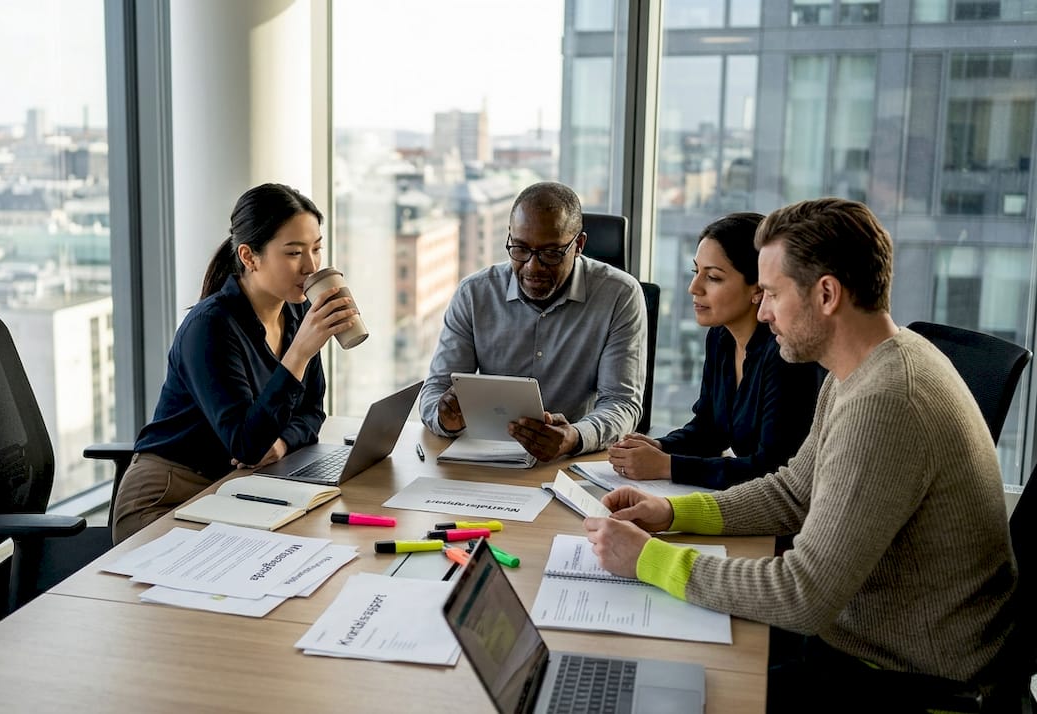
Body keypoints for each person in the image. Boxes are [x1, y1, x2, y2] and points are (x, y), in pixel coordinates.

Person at [584, 198, 1017, 709]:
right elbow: (795, 491)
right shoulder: (862, 368)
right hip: (864, 646)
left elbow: (802, 594)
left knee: (674, 686)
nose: (763, 312)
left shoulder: (887, 401)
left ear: (827, 294)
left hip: (910, 682)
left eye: (770, 293)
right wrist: (673, 511)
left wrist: (649, 560)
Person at [112, 183, 358, 543]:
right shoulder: (210, 327)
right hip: (167, 497)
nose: (310, 267)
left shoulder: (298, 312)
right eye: (293, 253)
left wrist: (282, 444)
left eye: (316, 249)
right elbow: (246, 445)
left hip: (229, 490)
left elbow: (312, 413)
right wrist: (300, 352)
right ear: (249, 256)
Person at [419, 181, 647, 462]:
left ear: (578, 245)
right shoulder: (474, 293)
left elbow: (622, 403)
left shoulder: (619, 295)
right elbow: (434, 390)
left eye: (550, 253)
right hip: (485, 460)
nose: (532, 266)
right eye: (520, 249)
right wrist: (445, 418)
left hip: (572, 463)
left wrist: (574, 437)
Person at [607, 212, 821, 490]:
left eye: (714, 277)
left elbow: (773, 468)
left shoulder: (786, 354)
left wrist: (665, 465)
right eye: (696, 272)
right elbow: (710, 431)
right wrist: (658, 446)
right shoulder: (721, 337)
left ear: (758, 288)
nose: (694, 288)